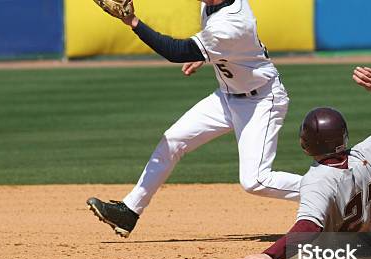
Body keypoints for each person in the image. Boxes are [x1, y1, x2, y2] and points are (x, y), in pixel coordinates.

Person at [87, 0, 303, 237]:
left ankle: (330, 191)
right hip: (227, 96)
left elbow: (176, 52)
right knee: (173, 140)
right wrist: (207, 55)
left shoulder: (232, 20)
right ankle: (129, 211)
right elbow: (226, 46)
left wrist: (133, 22)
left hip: (261, 101)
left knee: (256, 181)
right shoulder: (210, 6)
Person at [237, 66, 371, 259]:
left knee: (367, 177)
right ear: (344, 136)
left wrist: (270, 254)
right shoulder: (367, 153)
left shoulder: (315, 181)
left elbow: (308, 226)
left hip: (342, 249)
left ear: (305, 145)